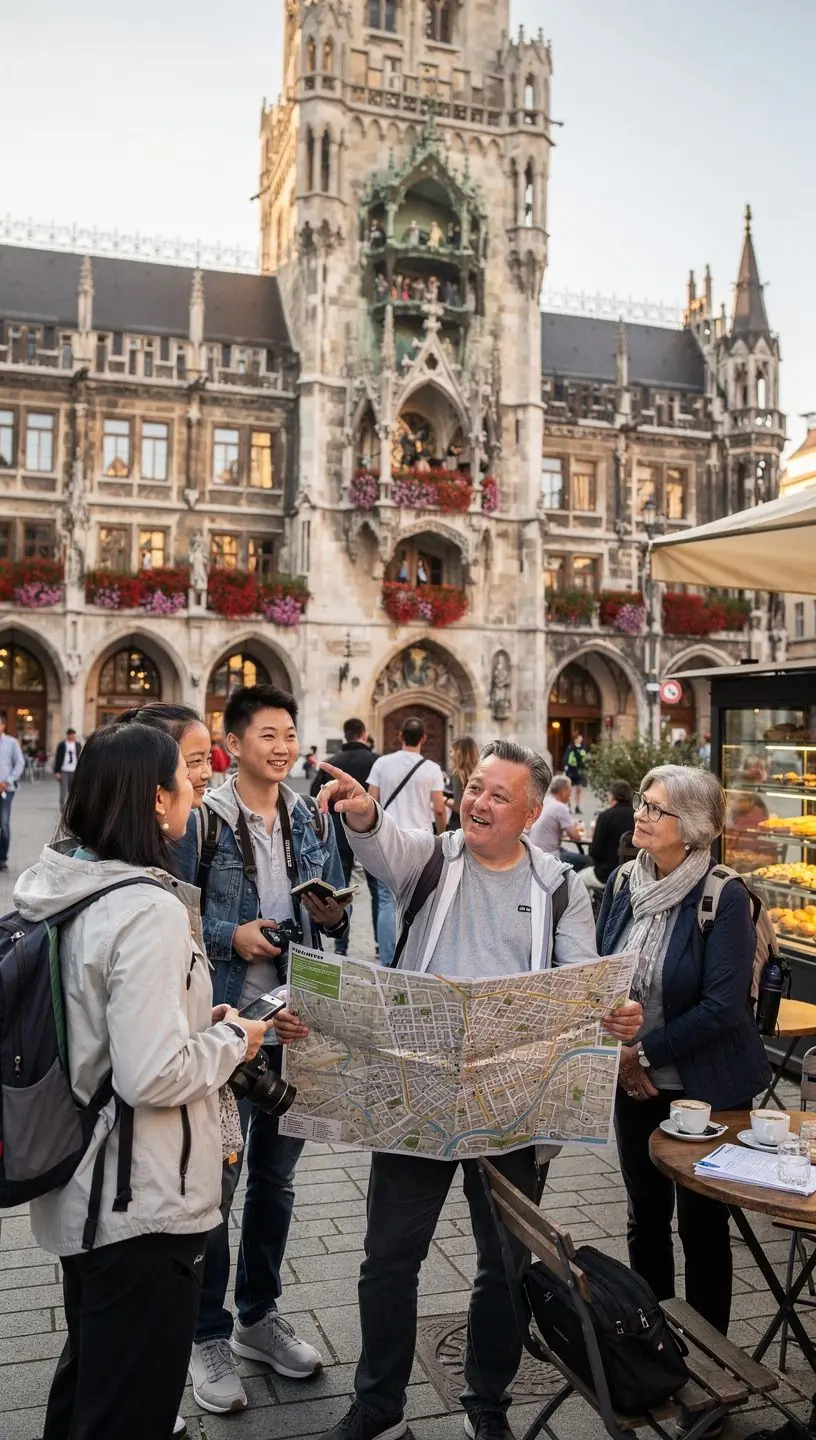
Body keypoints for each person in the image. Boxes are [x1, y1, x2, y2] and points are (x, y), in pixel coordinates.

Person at [281, 740, 642, 1440]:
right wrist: (363, 814)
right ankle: (378, 1406)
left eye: (497, 796)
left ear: (532, 812)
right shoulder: (434, 858)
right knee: (389, 1257)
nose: (477, 803)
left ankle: (487, 1406)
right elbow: (385, 842)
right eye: (474, 787)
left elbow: (580, 977)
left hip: (512, 1107)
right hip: (415, 1097)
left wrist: (613, 1013)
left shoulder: (558, 885)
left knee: (504, 1265)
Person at [15, 721, 271, 1440]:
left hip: (84, 1193)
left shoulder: (63, 885)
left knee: (88, 1387)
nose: (198, 787)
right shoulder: (147, 908)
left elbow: (107, 1026)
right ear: (158, 800)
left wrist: (196, 1021)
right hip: (141, 1201)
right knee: (129, 1409)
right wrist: (234, 1037)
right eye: (187, 778)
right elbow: (152, 1073)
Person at [174, 685, 351, 1415]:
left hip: (293, 1027)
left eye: (289, 735)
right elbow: (173, 919)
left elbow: (336, 913)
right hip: (225, 1031)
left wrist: (331, 911)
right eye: (267, 735)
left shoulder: (306, 814)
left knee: (276, 1183)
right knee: (217, 1185)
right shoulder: (205, 821)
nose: (282, 747)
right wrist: (231, 937)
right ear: (235, 741)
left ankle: (258, 1316)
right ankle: (205, 1334)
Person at [596, 765, 771, 1336]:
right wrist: (621, 1059)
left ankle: (709, 1353)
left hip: (705, 1089)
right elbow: (602, 974)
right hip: (633, 1082)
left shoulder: (724, 895)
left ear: (692, 828)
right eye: (643, 804)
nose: (642, 816)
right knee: (645, 1216)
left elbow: (722, 1008)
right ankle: (655, 1343)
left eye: (656, 809)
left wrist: (641, 1055)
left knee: (702, 1224)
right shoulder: (625, 881)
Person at [367, 718, 446, 966]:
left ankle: (389, 960)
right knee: (421, 901)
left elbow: (371, 802)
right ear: (423, 738)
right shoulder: (432, 768)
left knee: (386, 900)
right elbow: (440, 809)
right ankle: (415, 957)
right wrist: (442, 834)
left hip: (388, 838)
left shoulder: (382, 763)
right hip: (421, 842)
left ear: (400, 736)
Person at [311, 718, 381, 955]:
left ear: (346, 734)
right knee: (376, 890)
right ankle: (380, 943)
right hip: (369, 833)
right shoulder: (376, 761)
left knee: (338, 891)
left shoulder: (332, 763)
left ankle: (341, 946)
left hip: (337, 834)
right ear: (364, 733)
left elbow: (314, 797)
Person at [529, 776, 593, 872]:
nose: (570, 796)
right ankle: (576, 884)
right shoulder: (560, 807)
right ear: (563, 791)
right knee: (589, 861)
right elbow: (576, 837)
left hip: (535, 853)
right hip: (550, 856)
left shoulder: (545, 801)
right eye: (569, 791)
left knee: (569, 852)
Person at [588, 779, 635, 885]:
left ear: (613, 796)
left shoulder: (606, 816)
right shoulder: (638, 816)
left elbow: (595, 852)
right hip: (634, 874)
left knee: (579, 880)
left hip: (607, 874)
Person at [0, 711, 24, 872]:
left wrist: (7, 781)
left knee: (3, 823)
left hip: (6, 790)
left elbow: (19, 763)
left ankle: (2, 858)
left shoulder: (11, 743)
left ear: (3, 726)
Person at [446, 735, 479, 831]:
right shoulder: (480, 772)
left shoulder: (458, 775)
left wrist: (443, 799)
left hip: (459, 825)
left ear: (459, 753)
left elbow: (459, 806)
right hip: (476, 824)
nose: (450, 755)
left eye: (452, 751)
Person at [54, 729, 82, 809]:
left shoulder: (77, 745)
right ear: (68, 735)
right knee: (63, 791)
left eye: (74, 735)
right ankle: (62, 807)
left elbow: (80, 757)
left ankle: (71, 807)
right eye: (71, 735)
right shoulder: (62, 745)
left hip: (74, 770)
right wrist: (57, 771)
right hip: (64, 770)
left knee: (73, 790)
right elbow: (58, 758)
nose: (73, 736)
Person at [562, 733, 588, 813]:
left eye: (581, 737)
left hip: (580, 770)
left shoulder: (583, 748)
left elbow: (585, 759)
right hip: (571, 770)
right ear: (575, 739)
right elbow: (566, 758)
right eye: (579, 737)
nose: (581, 739)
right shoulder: (571, 747)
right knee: (570, 789)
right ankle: (569, 805)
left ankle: (577, 806)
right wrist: (565, 767)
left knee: (579, 790)